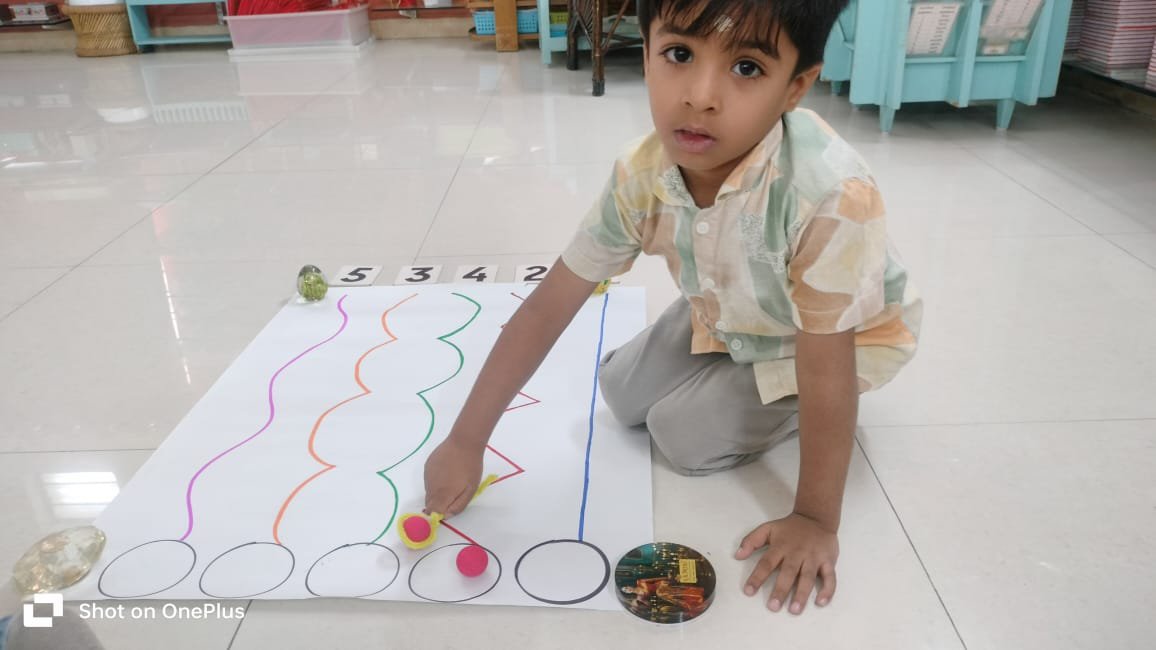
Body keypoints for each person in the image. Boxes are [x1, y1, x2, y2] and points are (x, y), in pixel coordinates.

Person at [425, 0, 921, 616]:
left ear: (795, 88)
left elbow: (826, 364)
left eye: (746, 67)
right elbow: (546, 308)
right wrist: (466, 440)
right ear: (647, 51)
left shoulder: (830, 194)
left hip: (831, 341)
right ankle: (729, 356)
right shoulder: (641, 174)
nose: (700, 97)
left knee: (682, 437)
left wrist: (816, 518)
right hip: (737, 307)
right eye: (679, 54)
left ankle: (780, 403)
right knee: (619, 389)